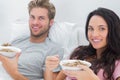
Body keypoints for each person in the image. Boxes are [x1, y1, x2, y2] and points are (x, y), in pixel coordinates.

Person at [46, 7, 120, 80]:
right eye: (90, 28)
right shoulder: (79, 53)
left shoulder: (117, 62)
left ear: (114, 31)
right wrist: (49, 68)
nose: (94, 34)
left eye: (102, 29)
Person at [0, 0, 64, 80]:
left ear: (50, 22)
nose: (35, 22)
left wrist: (13, 72)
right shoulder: (18, 40)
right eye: (32, 17)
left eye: (41, 18)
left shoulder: (54, 49)